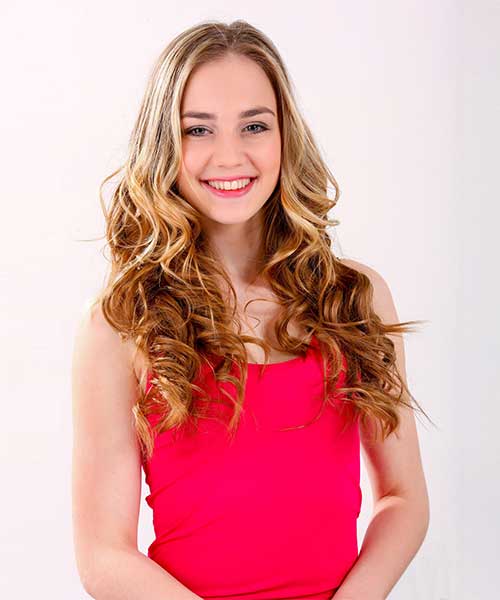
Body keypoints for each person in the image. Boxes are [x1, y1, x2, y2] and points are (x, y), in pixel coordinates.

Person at [71, 19, 432, 600]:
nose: (229, 155)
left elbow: (404, 497)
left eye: (254, 125)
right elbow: (102, 555)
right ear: (164, 144)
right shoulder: (120, 325)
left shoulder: (355, 297)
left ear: (285, 135)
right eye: (198, 129)